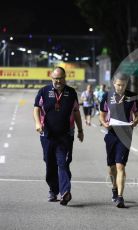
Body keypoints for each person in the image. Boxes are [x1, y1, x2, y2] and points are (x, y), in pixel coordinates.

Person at [33, 66, 84, 206]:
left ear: (65, 78)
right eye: (55, 78)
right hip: (47, 135)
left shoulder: (71, 93)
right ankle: (53, 190)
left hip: (65, 136)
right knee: (50, 164)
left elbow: (76, 112)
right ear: (51, 78)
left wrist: (80, 130)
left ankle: (65, 192)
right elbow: (36, 108)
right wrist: (38, 123)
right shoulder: (44, 91)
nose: (58, 81)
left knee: (63, 163)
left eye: (61, 78)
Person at [99, 72, 138, 208]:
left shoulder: (132, 97)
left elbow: (137, 115)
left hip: (126, 134)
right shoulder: (107, 96)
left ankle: (120, 197)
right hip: (111, 134)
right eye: (118, 85)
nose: (120, 87)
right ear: (113, 83)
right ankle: (114, 188)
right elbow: (102, 114)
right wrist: (104, 123)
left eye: (123, 85)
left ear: (126, 84)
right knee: (112, 168)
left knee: (120, 165)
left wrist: (135, 122)